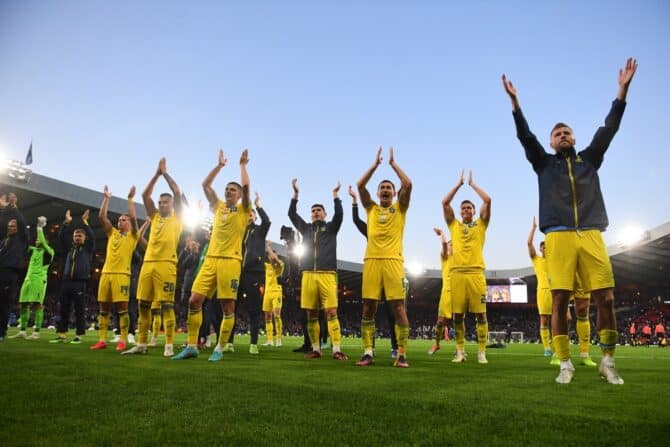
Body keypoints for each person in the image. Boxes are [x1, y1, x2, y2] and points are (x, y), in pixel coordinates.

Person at [502, 57, 637, 384]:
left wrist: (622, 90)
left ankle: (607, 360)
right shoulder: (543, 164)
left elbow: (610, 129)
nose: (562, 135)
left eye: (567, 132)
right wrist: (515, 103)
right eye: (557, 133)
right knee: (560, 301)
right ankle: (565, 364)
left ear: (574, 138)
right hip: (559, 237)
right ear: (551, 142)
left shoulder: (589, 160)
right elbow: (525, 136)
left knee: (606, 297)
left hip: (591, 233)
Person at [172, 149, 251, 361]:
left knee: (227, 307)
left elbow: (246, 186)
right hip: (210, 260)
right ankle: (191, 346)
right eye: (226, 188)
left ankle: (220, 348)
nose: (228, 191)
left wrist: (242, 165)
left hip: (230, 262)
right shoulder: (218, 207)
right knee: (194, 300)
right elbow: (205, 185)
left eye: (232, 189)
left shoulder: (244, 210)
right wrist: (219, 167)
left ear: (239, 195)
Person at [355, 146, 412, 368]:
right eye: (382, 188)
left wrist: (393, 165)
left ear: (394, 193)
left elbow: (408, 184)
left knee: (398, 307)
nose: (386, 190)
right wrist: (375, 165)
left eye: (389, 187)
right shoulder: (371, 209)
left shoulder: (400, 208)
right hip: (371, 262)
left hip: (394, 262)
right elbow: (360, 186)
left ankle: (402, 354)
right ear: (378, 193)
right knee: (368, 307)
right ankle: (368, 352)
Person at [122, 158, 183, 356]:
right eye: (160, 202)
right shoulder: (155, 216)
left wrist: (165, 174)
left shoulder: (178, 218)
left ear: (172, 205)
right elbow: (145, 194)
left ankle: (169, 345)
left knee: (166, 305)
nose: (162, 204)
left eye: (166, 202)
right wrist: (156, 174)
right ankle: (141, 344)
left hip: (167, 265)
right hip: (148, 264)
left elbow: (177, 192)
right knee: (143, 304)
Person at [288, 178, 348, 360]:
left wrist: (336, 195)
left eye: (318, 211)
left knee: (331, 312)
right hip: (308, 275)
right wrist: (296, 195)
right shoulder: (305, 229)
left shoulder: (331, 228)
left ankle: (336, 349)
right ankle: (316, 349)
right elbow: (291, 214)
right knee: (311, 314)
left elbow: (340, 215)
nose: (315, 213)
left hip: (327, 274)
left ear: (324, 214)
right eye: (313, 211)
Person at [442, 170, 492, 364]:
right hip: (457, 274)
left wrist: (472, 184)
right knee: (458, 315)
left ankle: (481, 352)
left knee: (481, 314)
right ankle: (460, 351)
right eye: (463, 208)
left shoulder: (481, 225)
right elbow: (445, 203)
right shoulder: (453, 225)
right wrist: (457, 185)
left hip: (476, 273)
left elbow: (487, 200)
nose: (465, 210)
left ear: (474, 211)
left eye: (469, 208)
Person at [348, 185, 399, 359]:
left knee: (394, 311)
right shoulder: (370, 230)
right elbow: (356, 221)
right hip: (374, 267)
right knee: (371, 308)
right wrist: (355, 201)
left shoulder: (394, 219)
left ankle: (396, 347)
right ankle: (371, 348)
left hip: (391, 266)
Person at [90, 185, 139, 352]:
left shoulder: (133, 236)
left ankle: (123, 340)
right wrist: (107, 198)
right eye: (119, 220)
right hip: (105, 274)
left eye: (123, 220)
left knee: (122, 309)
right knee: (103, 308)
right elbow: (101, 216)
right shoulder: (113, 234)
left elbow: (133, 217)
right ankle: (102, 340)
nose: (121, 221)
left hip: (122, 275)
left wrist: (130, 199)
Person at [225, 192, 271, 354]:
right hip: (237, 272)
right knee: (232, 308)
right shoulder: (239, 231)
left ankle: (253, 344)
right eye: (248, 214)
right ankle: (229, 342)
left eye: (252, 214)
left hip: (254, 274)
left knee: (253, 310)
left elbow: (267, 221)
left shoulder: (260, 231)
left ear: (255, 217)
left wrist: (258, 205)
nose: (250, 216)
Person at [50, 209, 95, 344]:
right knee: (63, 309)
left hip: (79, 283)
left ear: (84, 238)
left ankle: (79, 336)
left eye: (80, 236)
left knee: (79, 310)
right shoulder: (70, 249)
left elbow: (92, 237)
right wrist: (66, 223)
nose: (77, 237)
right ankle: (62, 334)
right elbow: (60, 237)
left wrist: (85, 222)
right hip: (66, 282)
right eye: (75, 235)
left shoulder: (87, 249)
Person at [10, 216, 53, 340]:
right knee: (23, 304)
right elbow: (23, 242)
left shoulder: (49, 251)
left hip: (39, 280)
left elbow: (43, 242)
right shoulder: (33, 250)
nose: (36, 241)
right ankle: (22, 331)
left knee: (37, 304)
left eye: (39, 240)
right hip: (28, 280)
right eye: (36, 240)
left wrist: (39, 228)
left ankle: (36, 332)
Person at [0, 194, 29, 340]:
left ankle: (1, 332)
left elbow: (22, 222)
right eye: (9, 226)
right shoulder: (4, 240)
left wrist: (12, 207)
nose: (11, 228)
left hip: (9, 273)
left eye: (13, 226)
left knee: (4, 303)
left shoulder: (22, 239)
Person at [528, 217, 553, 356]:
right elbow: (528, 243)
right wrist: (533, 228)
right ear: (540, 249)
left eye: (547, 246)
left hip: (555, 291)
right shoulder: (536, 260)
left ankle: (558, 345)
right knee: (544, 320)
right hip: (543, 292)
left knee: (559, 319)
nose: (545, 249)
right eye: (543, 247)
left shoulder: (556, 259)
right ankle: (547, 348)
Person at [428, 227, 452, 355]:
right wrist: (442, 234)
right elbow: (443, 244)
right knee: (441, 321)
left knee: (460, 320)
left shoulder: (461, 259)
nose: (450, 246)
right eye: (449, 245)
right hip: (447, 291)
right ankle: (436, 344)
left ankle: (460, 349)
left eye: (452, 245)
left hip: (460, 290)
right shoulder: (445, 258)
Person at [262, 242, 284, 347]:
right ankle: (270, 340)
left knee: (277, 315)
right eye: (270, 255)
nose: (272, 256)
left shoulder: (280, 265)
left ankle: (279, 339)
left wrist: (269, 247)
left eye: (273, 255)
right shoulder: (266, 266)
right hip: (267, 293)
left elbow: (275, 260)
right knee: (267, 317)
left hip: (276, 292)